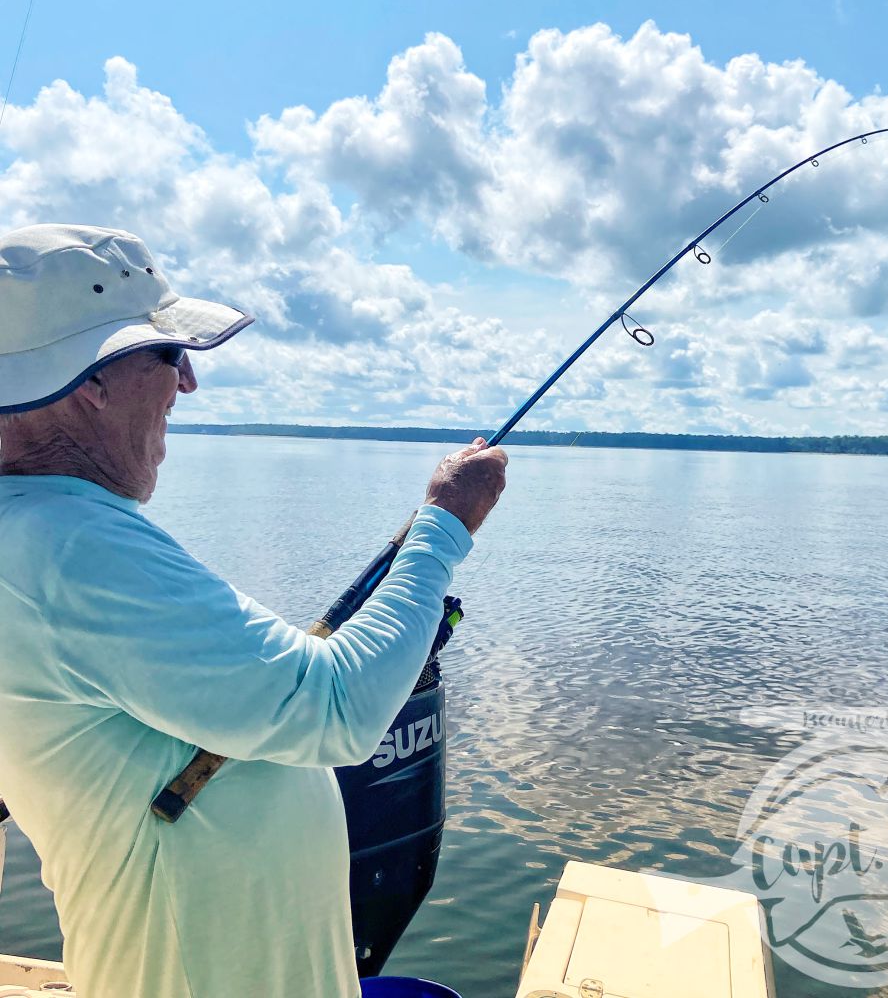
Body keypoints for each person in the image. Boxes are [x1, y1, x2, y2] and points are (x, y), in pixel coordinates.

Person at [0, 224, 508, 998]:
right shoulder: (67, 547)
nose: (188, 385)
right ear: (91, 379)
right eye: (170, 356)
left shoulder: (37, 528)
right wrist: (443, 524)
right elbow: (335, 705)